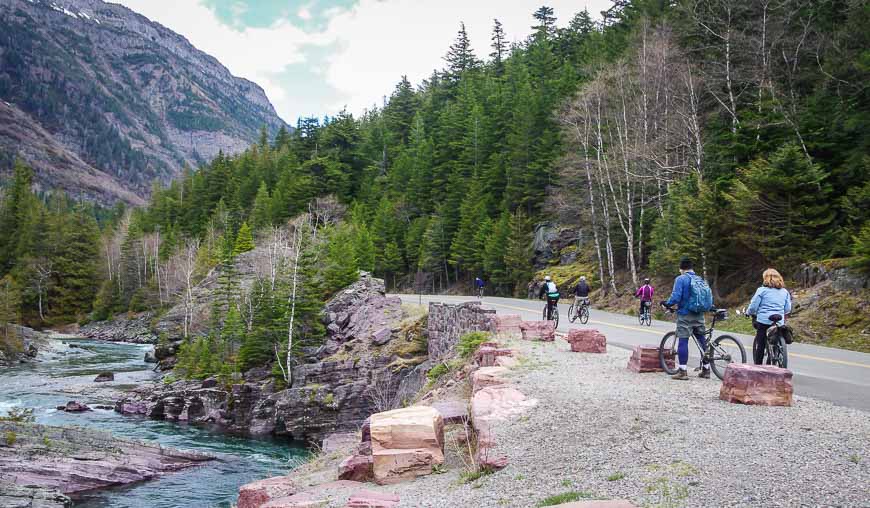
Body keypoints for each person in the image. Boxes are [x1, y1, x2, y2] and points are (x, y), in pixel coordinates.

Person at [661, 258, 710, 380]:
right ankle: (706, 369)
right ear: (692, 268)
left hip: (685, 314)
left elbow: (676, 297)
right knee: (702, 340)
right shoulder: (699, 279)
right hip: (699, 314)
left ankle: (682, 371)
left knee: (683, 340)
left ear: (681, 268)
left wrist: (667, 304)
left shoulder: (681, 279)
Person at [747, 268, 792, 365]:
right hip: (779, 320)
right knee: (776, 337)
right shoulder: (785, 292)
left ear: (766, 278)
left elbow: (754, 306)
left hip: (764, 320)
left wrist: (749, 312)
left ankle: (758, 366)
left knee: (761, 344)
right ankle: (776, 353)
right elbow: (788, 309)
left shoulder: (761, 290)